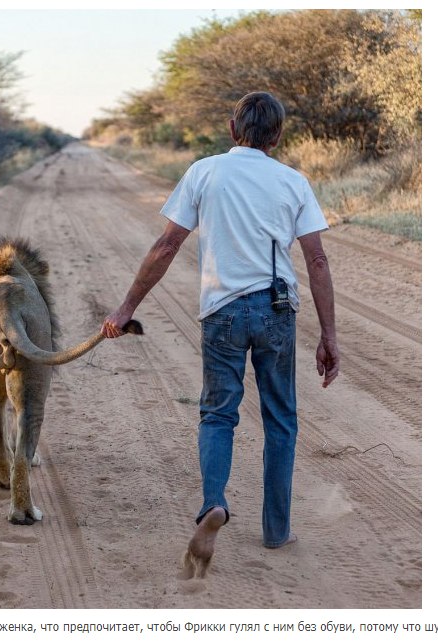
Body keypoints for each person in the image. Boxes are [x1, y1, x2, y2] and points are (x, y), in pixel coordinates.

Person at [101, 91, 339, 578]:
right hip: (276, 311)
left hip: (222, 312)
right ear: (277, 135)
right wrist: (329, 336)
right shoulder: (294, 182)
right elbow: (316, 259)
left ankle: (214, 502)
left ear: (233, 130)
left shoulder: (204, 172)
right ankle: (277, 531)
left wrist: (127, 307)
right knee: (281, 420)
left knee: (217, 416)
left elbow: (167, 245)